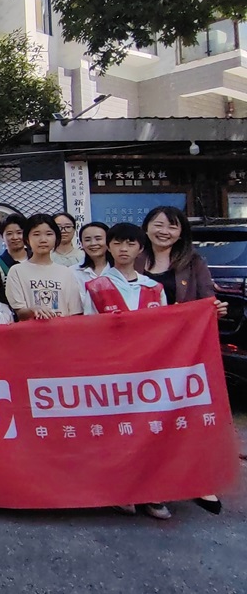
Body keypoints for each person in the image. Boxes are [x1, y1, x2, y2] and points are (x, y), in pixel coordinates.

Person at [139, 205, 227, 517]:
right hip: (139, 355)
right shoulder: (132, 257)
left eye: (172, 226)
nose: (164, 231)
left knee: (186, 416)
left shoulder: (193, 262)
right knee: (146, 420)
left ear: (180, 233)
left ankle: (196, 481)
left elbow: (206, 300)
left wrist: (214, 310)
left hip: (182, 354)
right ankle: (149, 486)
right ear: (146, 227)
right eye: (158, 224)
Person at [80, 223, 170, 521]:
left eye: (130, 244)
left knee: (150, 430)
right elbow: (88, 331)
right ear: (109, 247)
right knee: (119, 430)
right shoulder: (96, 287)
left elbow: (166, 329)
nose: (123, 249)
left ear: (140, 248)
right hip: (112, 372)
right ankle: (122, 491)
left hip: (149, 372)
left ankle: (153, 491)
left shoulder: (154, 288)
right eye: (118, 243)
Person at [5, 214, 84, 320]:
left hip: (61, 329)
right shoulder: (16, 271)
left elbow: (75, 313)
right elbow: (20, 312)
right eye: (36, 234)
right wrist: (33, 310)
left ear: (56, 238)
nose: (43, 239)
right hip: (31, 330)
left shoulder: (66, 272)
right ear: (27, 239)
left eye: (49, 234)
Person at [74, 221, 112, 286]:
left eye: (98, 239)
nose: (93, 243)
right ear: (81, 243)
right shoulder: (73, 272)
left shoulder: (120, 269)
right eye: (87, 240)